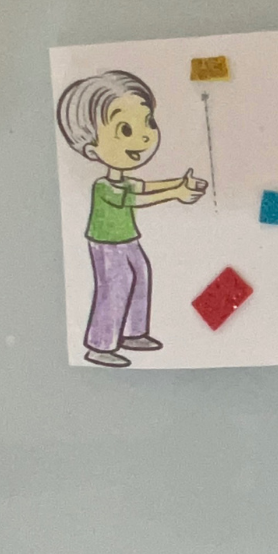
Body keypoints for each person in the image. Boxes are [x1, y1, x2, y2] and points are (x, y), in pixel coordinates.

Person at [56, 70, 205, 367]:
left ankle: (133, 333)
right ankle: (100, 345)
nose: (145, 136)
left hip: (127, 240)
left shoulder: (124, 180)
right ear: (92, 149)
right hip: (106, 245)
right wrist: (176, 193)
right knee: (115, 286)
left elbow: (144, 187)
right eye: (125, 130)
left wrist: (178, 183)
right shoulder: (104, 187)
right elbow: (136, 200)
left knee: (141, 275)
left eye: (148, 122)